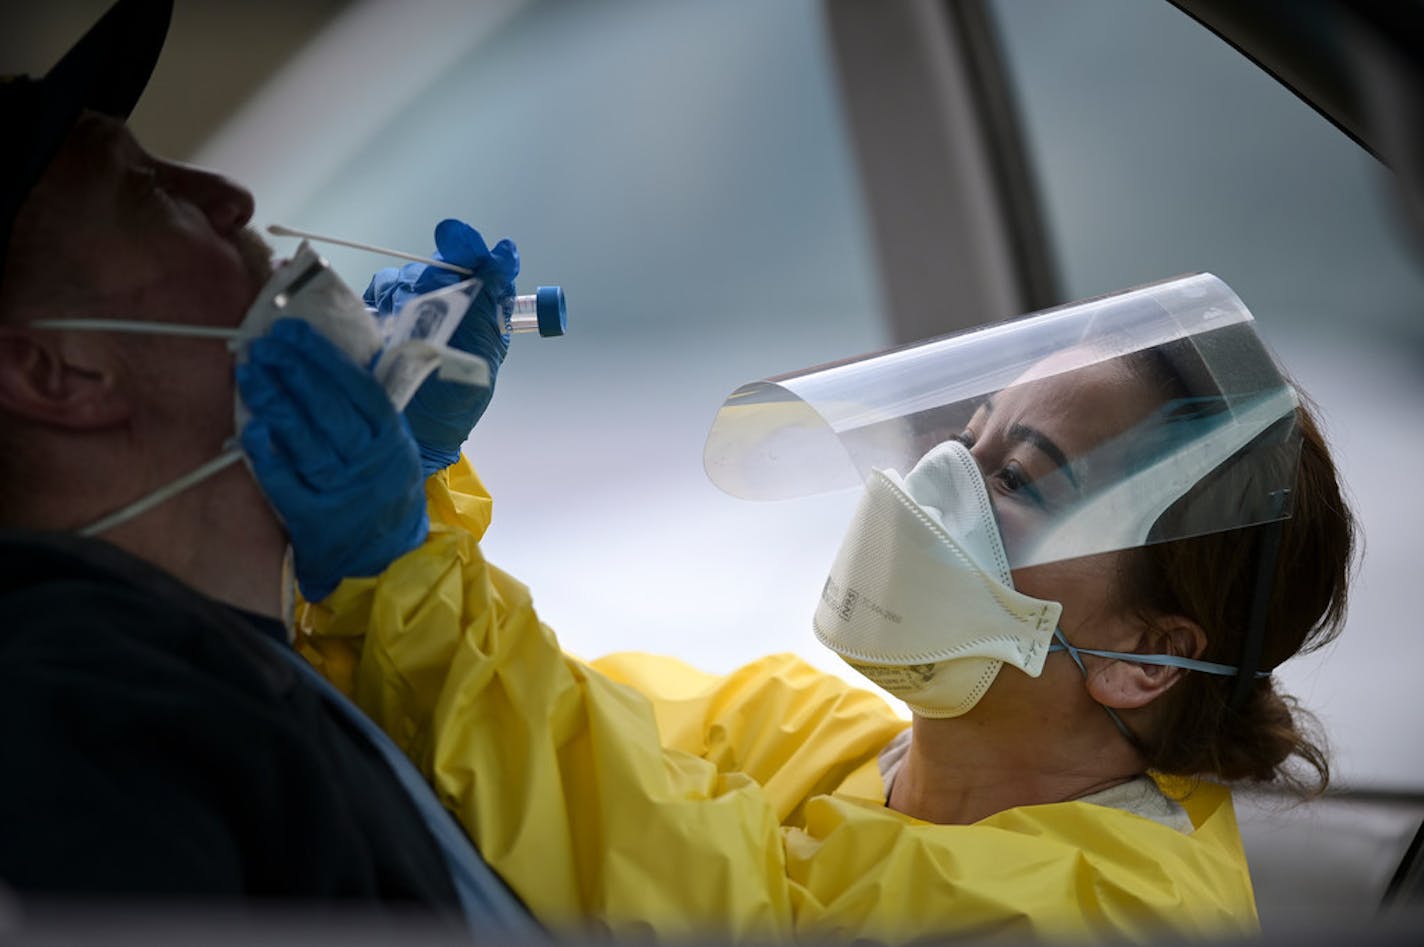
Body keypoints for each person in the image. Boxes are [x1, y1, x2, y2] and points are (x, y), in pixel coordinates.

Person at [292, 263, 1356, 942]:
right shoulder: (824, 738)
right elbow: (546, 730)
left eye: (1018, 478)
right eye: (970, 435)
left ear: (1145, 657)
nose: (934, 476)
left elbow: (735, 902)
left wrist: (397, 554)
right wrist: (413, 480)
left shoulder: (1122, 911)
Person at [0, 1, 535, 934]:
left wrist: (395, 577)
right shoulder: (82, 725)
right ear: (59, 372)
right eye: (148, 193)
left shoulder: (233, 658)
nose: (229, 197)